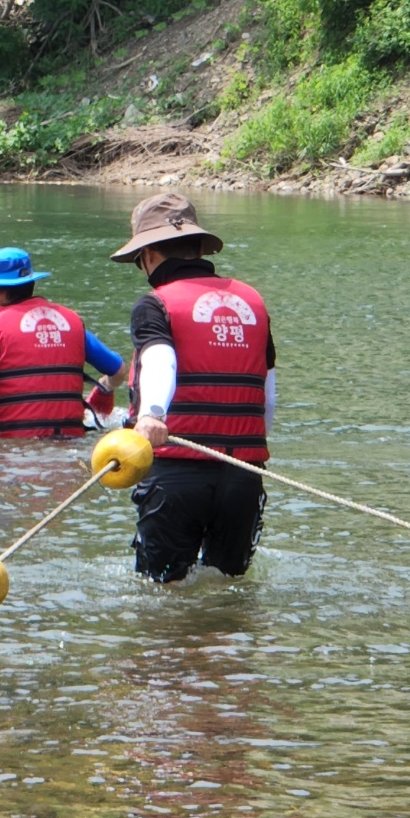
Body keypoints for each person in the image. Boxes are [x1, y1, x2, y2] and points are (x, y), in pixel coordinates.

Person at [110, 193, 276, 583]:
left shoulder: (156, 304)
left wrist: (152, 414)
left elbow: (159, 359)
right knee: (228, 586)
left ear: (149, 255)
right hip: (243, 475)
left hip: (176, 473)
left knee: (162, 594)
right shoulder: (253, 303)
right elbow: (268, 394)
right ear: (200, 248)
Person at [0, 246, 128, 439]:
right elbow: (119, 371)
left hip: (14, 451)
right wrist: (105, 387)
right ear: (30, 283)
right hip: (70, 446)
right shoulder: (70, 321)